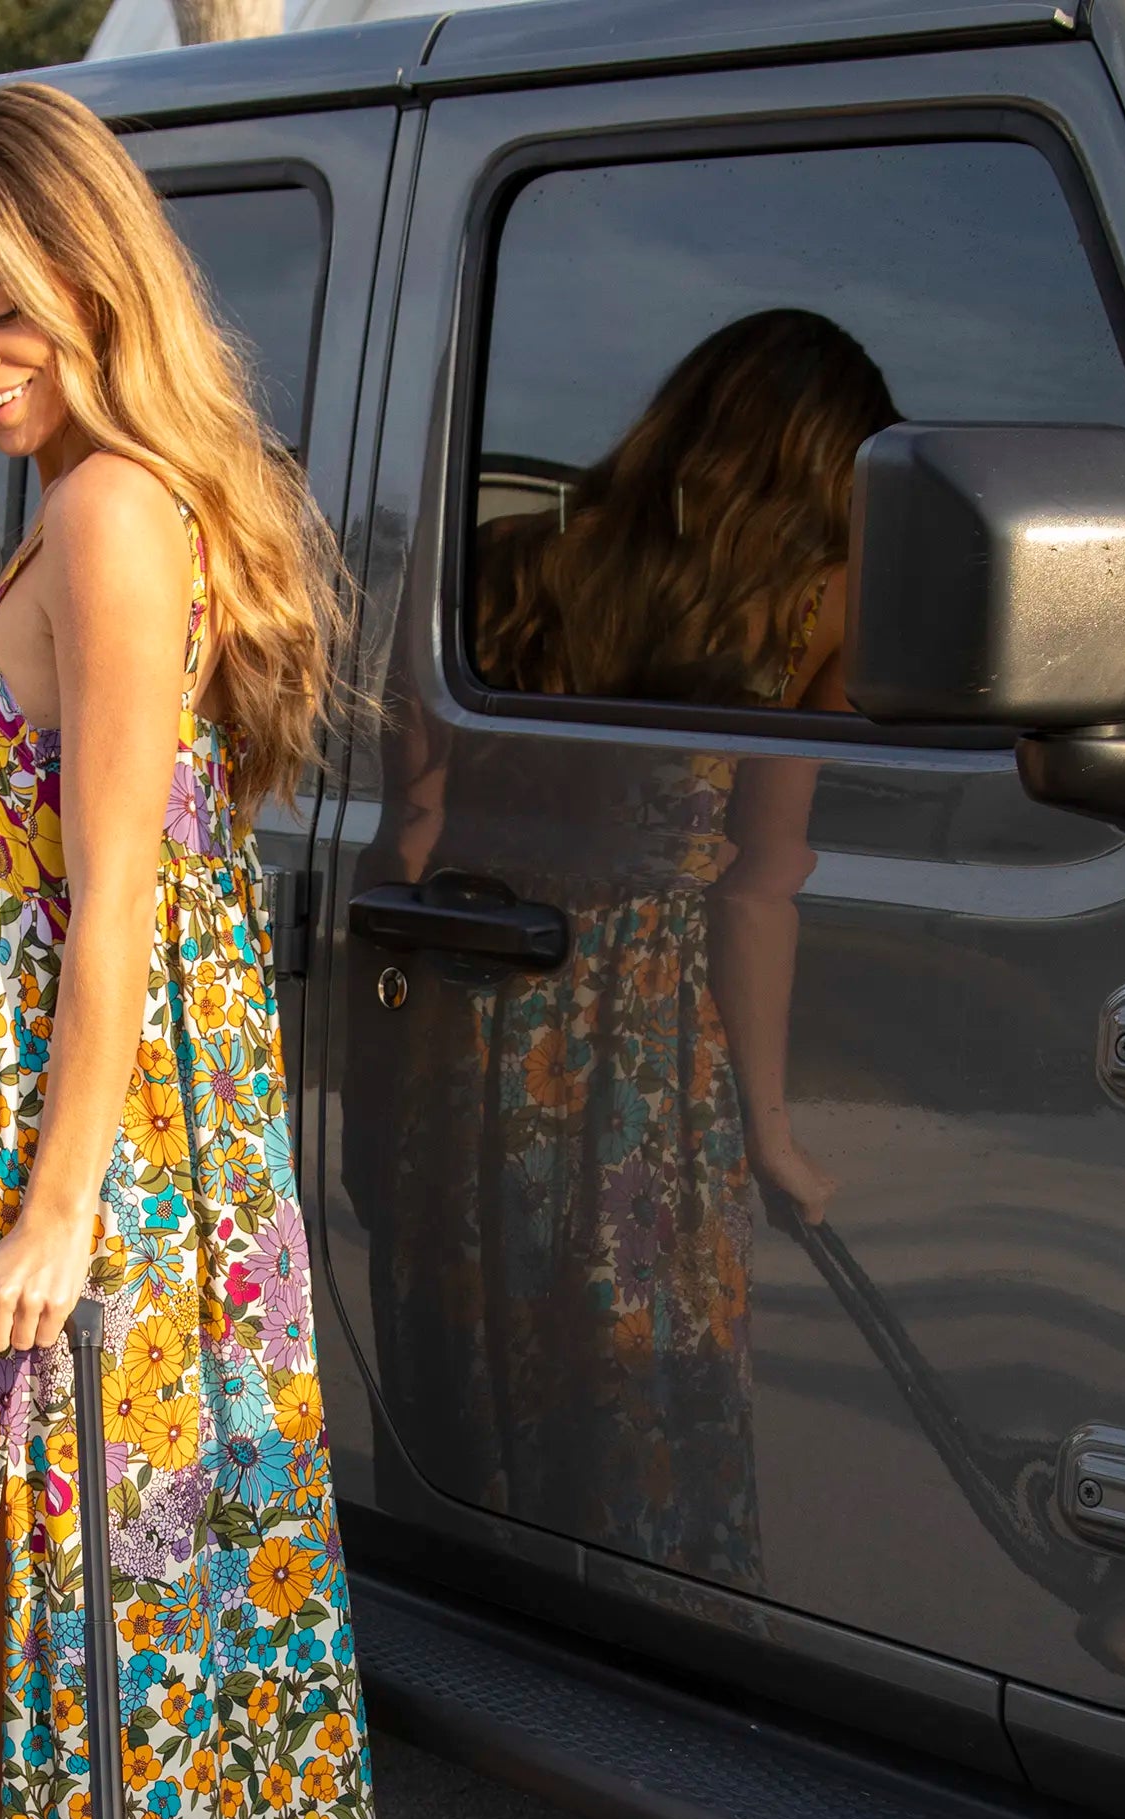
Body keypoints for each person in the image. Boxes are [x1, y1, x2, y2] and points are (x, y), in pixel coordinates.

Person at [0, 80, 405, 1819]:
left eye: (2, 308)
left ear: (98, 277)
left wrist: (58, 1209)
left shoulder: (108, 512)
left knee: (103, 1581)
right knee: (81, 1577)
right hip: (28, 1137)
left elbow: (120, 908)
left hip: (71, 1161)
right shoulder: (68, 498)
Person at [372, 308, 894, 1583]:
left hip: (473, 1021)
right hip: (649, 1049)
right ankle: (648, 1622)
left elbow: (409, 835)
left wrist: (381, 1073)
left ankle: (491, 1610)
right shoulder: (812, 613)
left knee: (479, 1349)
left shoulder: (497, 567)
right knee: (641, 1371)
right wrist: (771, 1131)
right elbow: (760, 884)